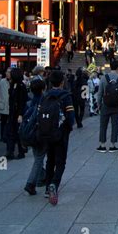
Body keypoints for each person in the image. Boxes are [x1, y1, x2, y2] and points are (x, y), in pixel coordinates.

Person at [43, 70, 75, 205]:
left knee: (50, 160)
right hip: (61, 133)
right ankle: (54, 184)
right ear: (62, 82)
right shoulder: (65, 96)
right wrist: (68, 128)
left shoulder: (46, 95)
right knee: (61, 161)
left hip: (47, 132)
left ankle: (47, 187)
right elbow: (70, 116)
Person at [96, 60, 118, 153]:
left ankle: (102, 145)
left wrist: (98, 104)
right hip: (117, 106)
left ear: (110, 67)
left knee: (103, 125)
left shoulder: (103, 78)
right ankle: (113, 145)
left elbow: (100, 93)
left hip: (105, 105)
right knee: (115, 125)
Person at [23, 79, 46, 196]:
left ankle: (42, 178)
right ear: (43, 89)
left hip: (29, 132)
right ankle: (30, 183)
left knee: (38, 156)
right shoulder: (44, 101)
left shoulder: (29, 102)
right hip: (39, 133)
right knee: (39, 158)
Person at [6, 68, 28, 160]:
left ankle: (21, 151)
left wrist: (20, 114)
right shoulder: (12, 84)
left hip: (18, 112)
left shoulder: (21, 86)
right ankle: (10, 152)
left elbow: (22, 101)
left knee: (19, 132)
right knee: (11, 132)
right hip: (12, 112)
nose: (8, 74)